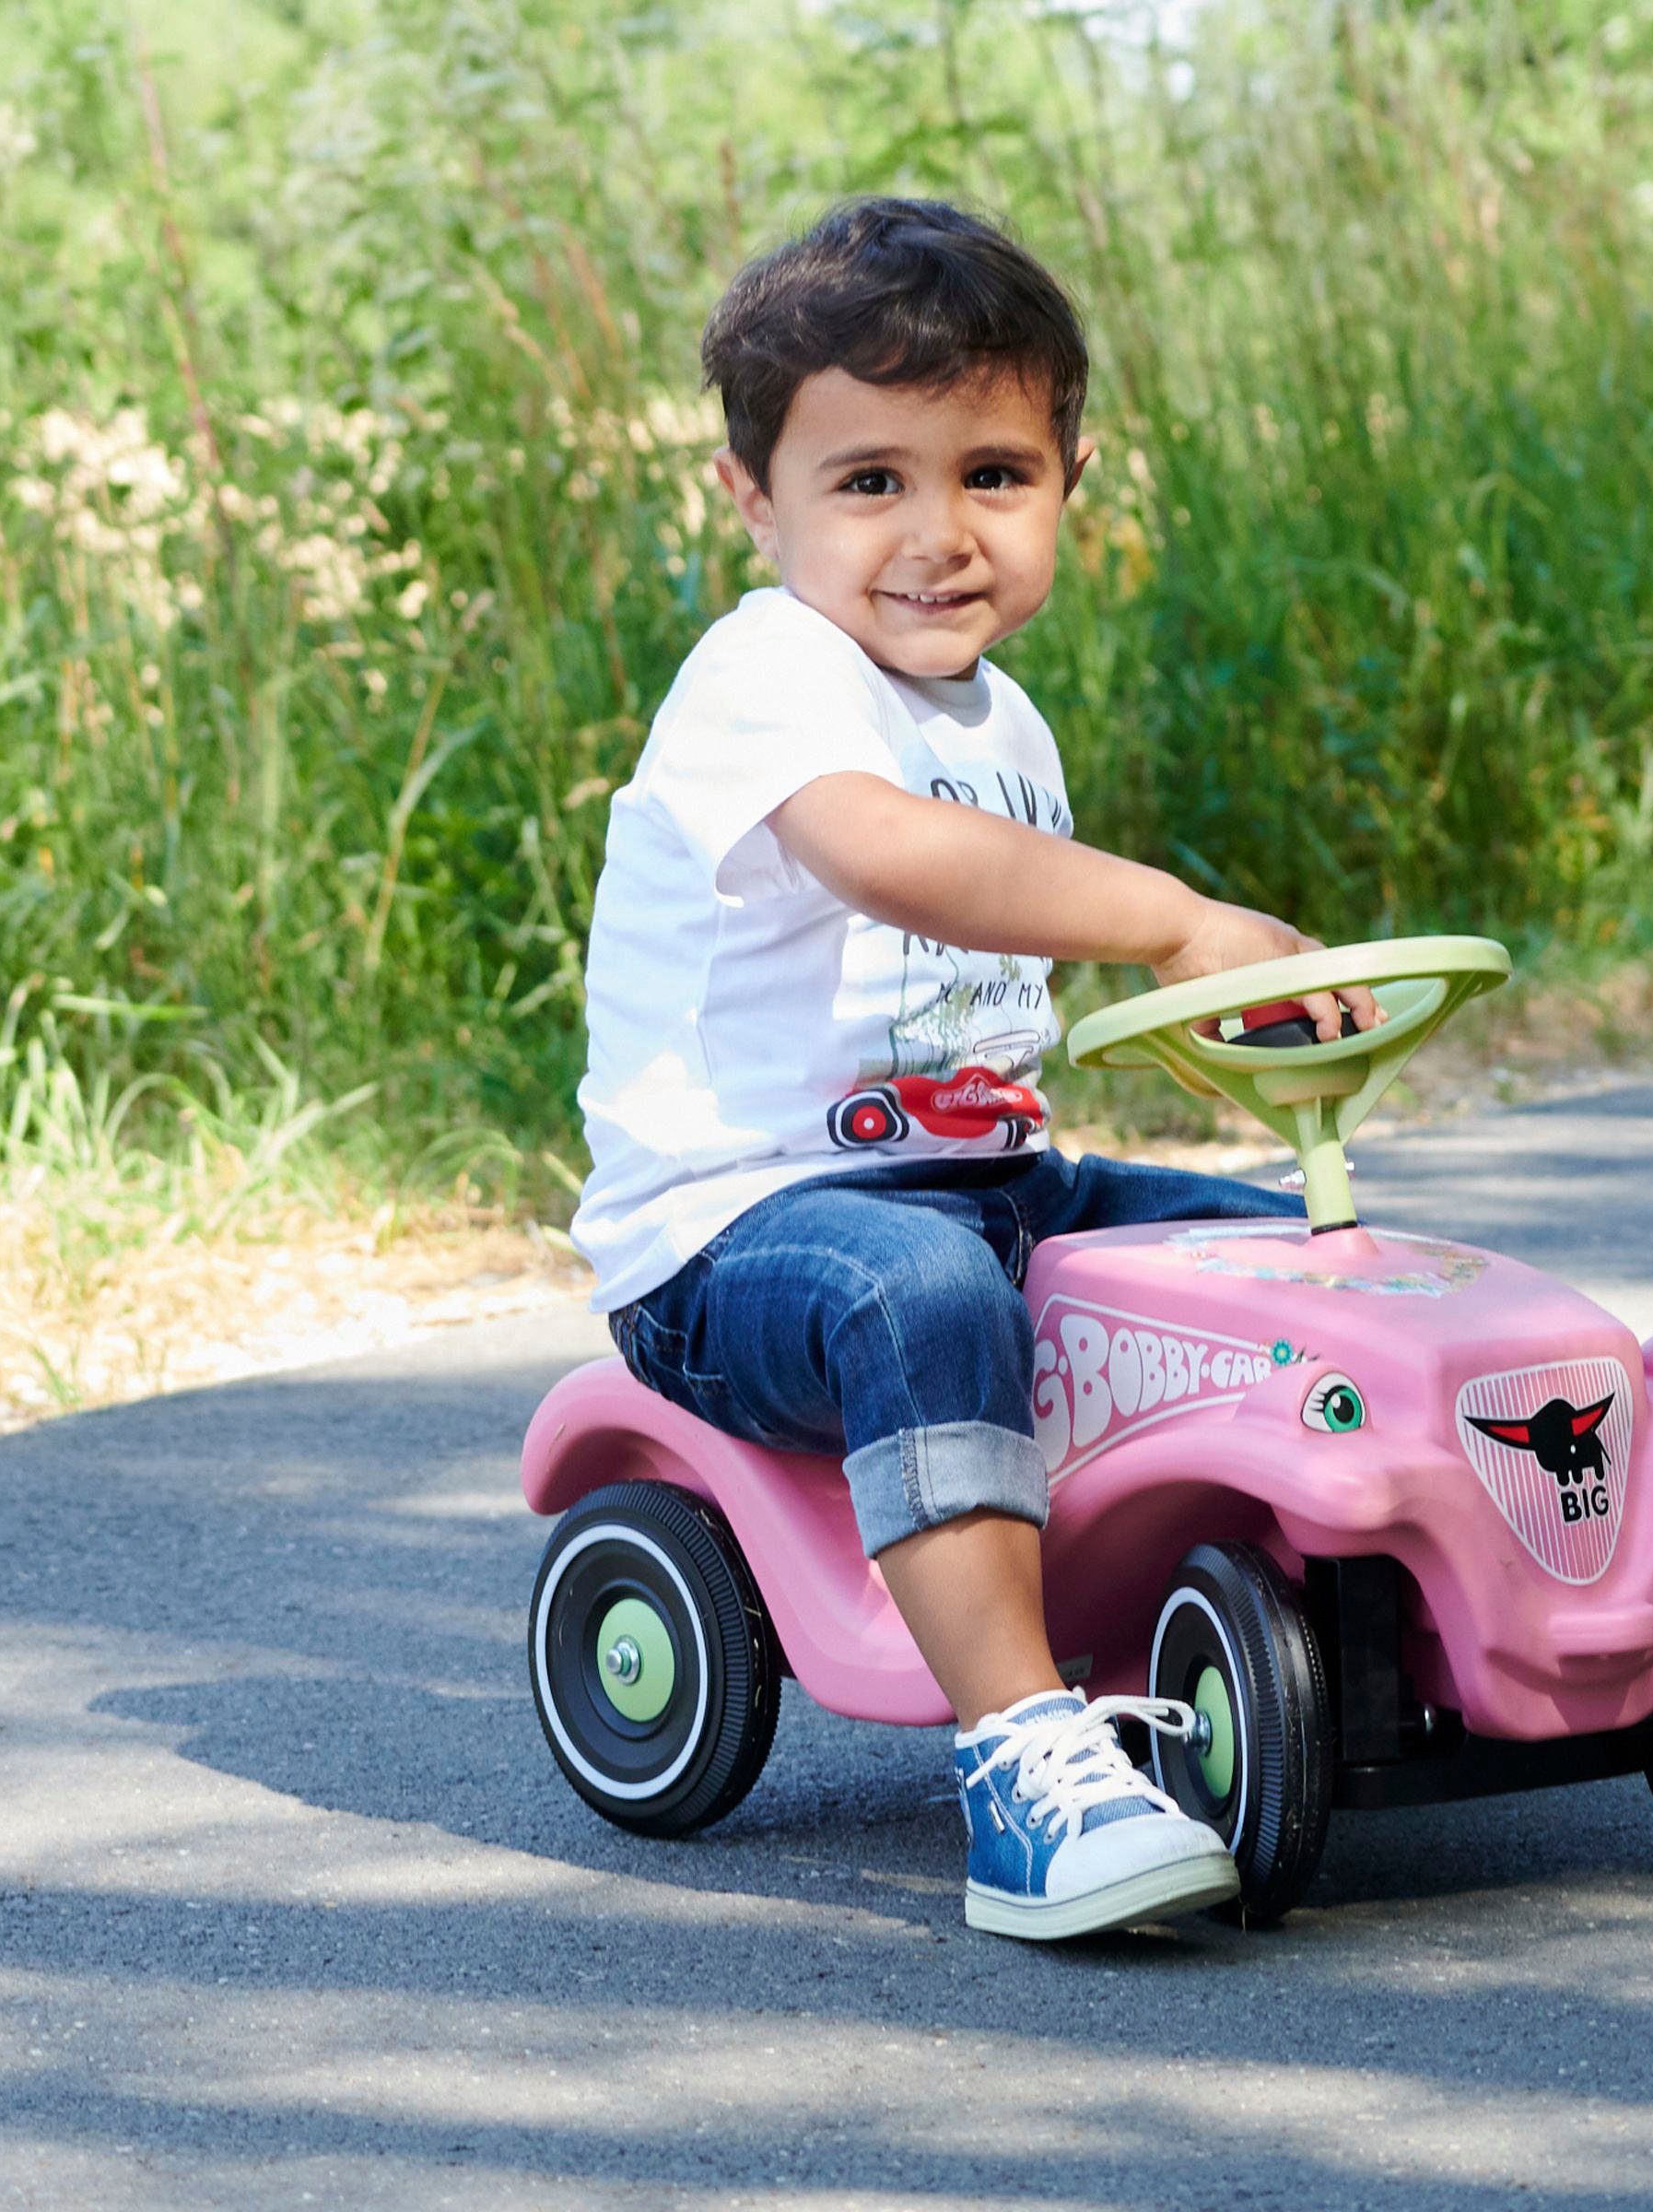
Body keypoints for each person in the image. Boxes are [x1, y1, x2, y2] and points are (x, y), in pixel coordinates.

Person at [571, 196, 1375, 1940]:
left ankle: (1322, 1658)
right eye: (871, 483)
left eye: (992, 475)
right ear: (751, 496)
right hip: (743, 1229)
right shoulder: (766, 672)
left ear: (1074, 474)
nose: (938, 535)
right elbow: (888, 859)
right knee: (918, 1295)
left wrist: (1243, 1029)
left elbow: (985, 1009)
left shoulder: (1002, 720)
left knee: (1282, 1267)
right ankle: (1022, 1759)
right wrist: (1170, 919)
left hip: (986, 1179)